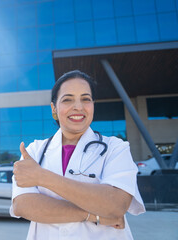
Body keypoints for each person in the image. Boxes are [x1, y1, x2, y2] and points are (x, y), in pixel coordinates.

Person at [10, 70, 145, 240]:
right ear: (54, 108)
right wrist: (94, 215)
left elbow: (116, 204)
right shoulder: (34, 150)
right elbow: (23, 205)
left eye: (86, 99)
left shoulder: (116, 148)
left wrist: (41, 177)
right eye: (67, 99)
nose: (78, 107)